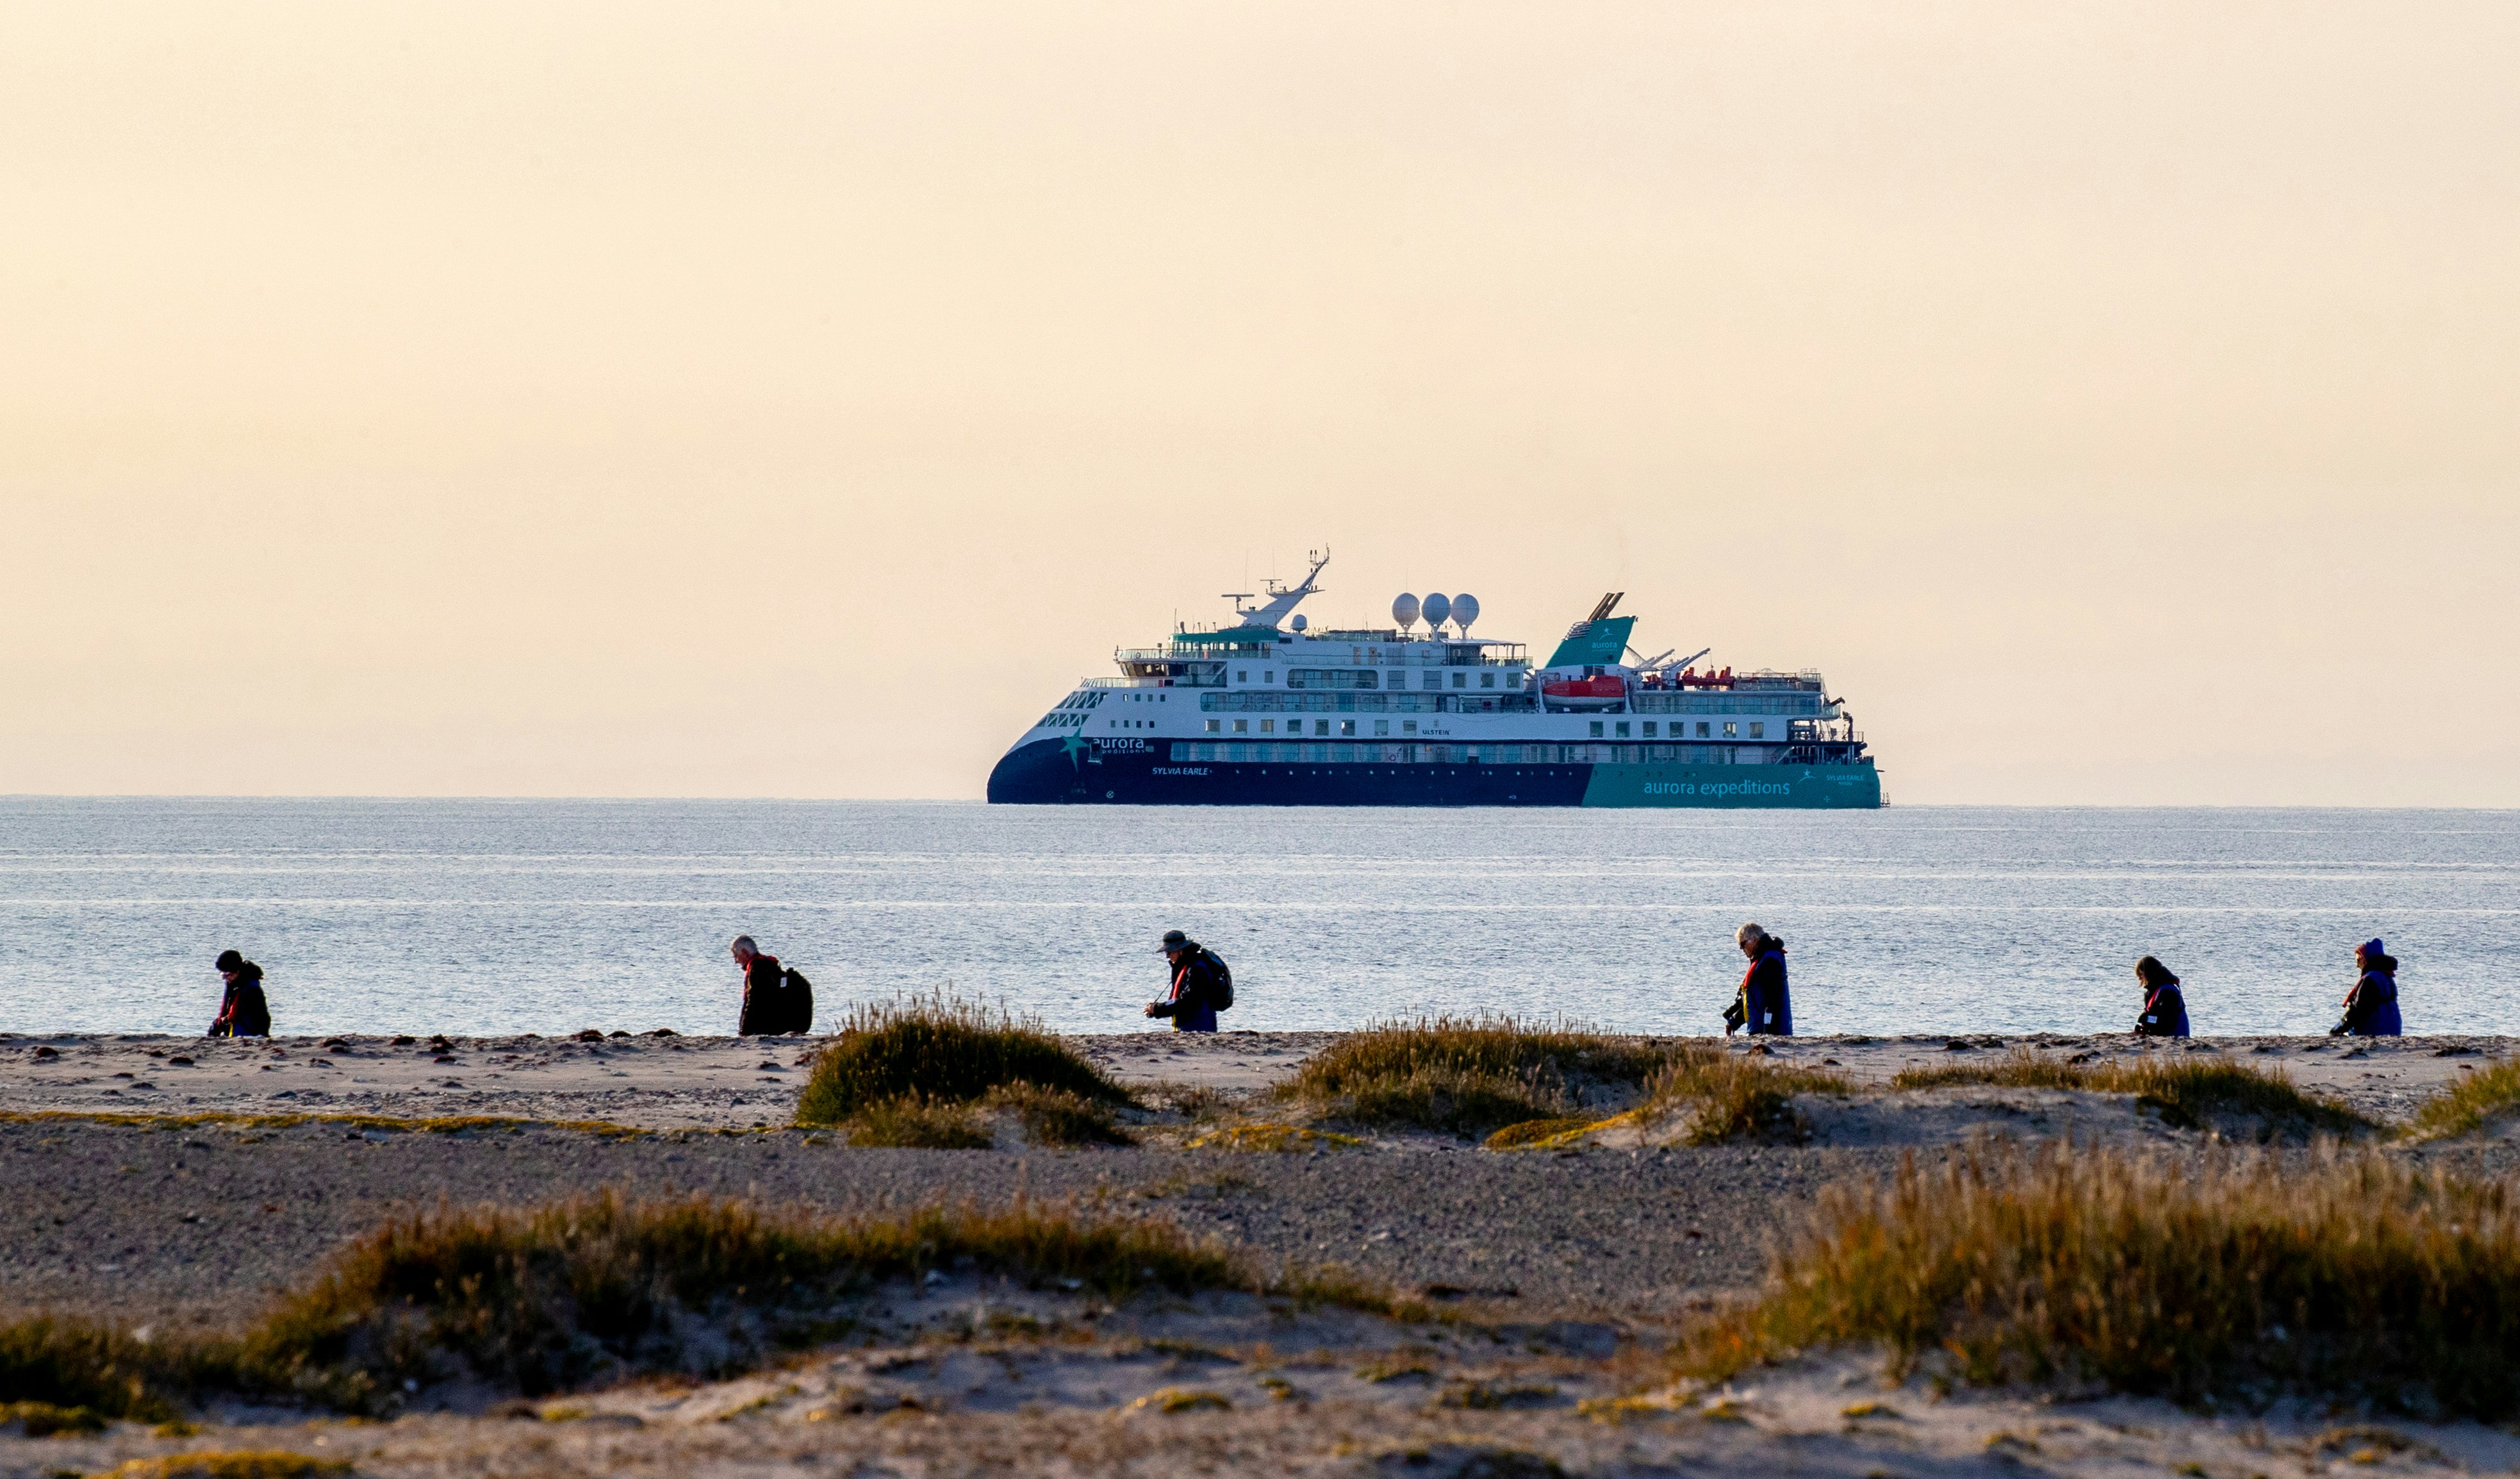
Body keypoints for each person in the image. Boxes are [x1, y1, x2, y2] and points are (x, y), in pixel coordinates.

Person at [1144, 929, 1224, 1033]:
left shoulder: (1197, 970)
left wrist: (1157, 1009)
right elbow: (1180, 1001)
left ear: (1180, 951)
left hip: (1199, 1026)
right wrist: (1156, 1010)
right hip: (1190, 1025)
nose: (1167, 956)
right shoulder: (1187, 966)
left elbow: (1187, 1001)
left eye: (1169, 952)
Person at [732, 935, 812, 1036]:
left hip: (776, 1026)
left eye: (736, 956)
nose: (736, 961)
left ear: (744, 952)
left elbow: (753, 1001)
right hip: (792, 1022)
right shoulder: (770, 965)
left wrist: (744, 1032)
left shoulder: (756, 968)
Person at [1727, 923, 1792, 1036]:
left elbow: (1774, 999)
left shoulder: (1770, 960)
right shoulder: (1761, 959)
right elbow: (1754, 999)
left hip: (1772, 1030)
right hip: (1758, 1028)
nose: (1741, 948)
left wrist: (1768, 1030)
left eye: (1743, 944)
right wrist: (1734, 1022)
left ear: (1755, 941)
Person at [2332, 938, 2403, 1037]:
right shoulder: (2387, 978)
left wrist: (2337, 1030)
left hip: (2375, 1031)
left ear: (2366, 960)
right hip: (2394, 1031)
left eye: (2358, 960)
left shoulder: (2370, 980)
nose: (2357, 965)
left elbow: (2358, 1010)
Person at [206, 949, 272, 1037]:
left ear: (237, 972)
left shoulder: (252, 988)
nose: (226, 979)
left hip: (250, 1031)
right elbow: (225, 1008)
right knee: (215, 1025)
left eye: (228, 975)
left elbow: (260, 1019)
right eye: (223, 975)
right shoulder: (231, 983)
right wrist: (218, 1025)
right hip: (235, 1027)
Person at [2132, 955, 2189, 1037]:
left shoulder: (2168, 991)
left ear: (2148, 973)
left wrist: (2148, 1023)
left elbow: (2168, 1021)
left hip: (2176, 1036)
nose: (2140, 979)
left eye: (2141, 975)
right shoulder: (2156, 990)